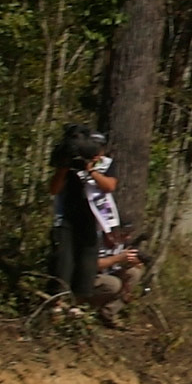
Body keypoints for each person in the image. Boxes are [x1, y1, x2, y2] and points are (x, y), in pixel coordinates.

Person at [45, 126, 109, 305]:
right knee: (63, 263)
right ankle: (56, 305)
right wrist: (64, 168)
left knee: (86, 267)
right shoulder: (69, 165)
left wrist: (91, 170)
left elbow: (110, 186)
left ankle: (76, 308)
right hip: (66, 219)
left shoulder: (105, 165)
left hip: (91, 221)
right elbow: (54, 189)